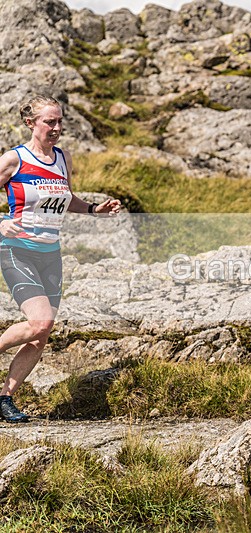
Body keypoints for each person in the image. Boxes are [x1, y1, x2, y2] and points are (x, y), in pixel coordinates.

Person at [0, 94, 121, 422]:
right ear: (31, 123)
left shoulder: (62, 158)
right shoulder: (14, 159)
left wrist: (94, 209)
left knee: (41, 334)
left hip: (51, 255)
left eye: (59, 121)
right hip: (17, 251)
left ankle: (5, 398)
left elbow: (66, 198)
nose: (56, 128)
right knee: (40, 322)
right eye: (49, 121)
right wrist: (1, 223)